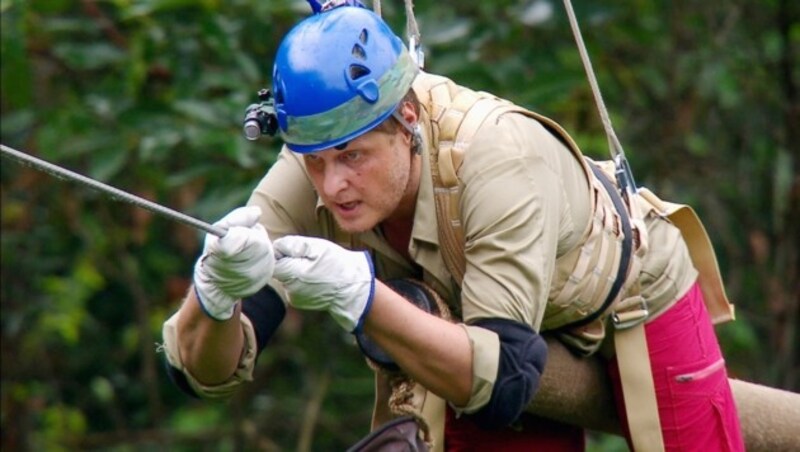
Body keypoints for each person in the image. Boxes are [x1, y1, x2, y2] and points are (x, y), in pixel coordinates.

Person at [161, 3, 745, 451]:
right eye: (315, 161)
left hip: (627, 295)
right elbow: (199, 375)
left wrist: (363, 298)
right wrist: (214, 297)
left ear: (406, 120)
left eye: (353, 157)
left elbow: (505, 378)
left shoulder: (497, 159)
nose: (332, 184)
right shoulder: (314, 158)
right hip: (487, 326)